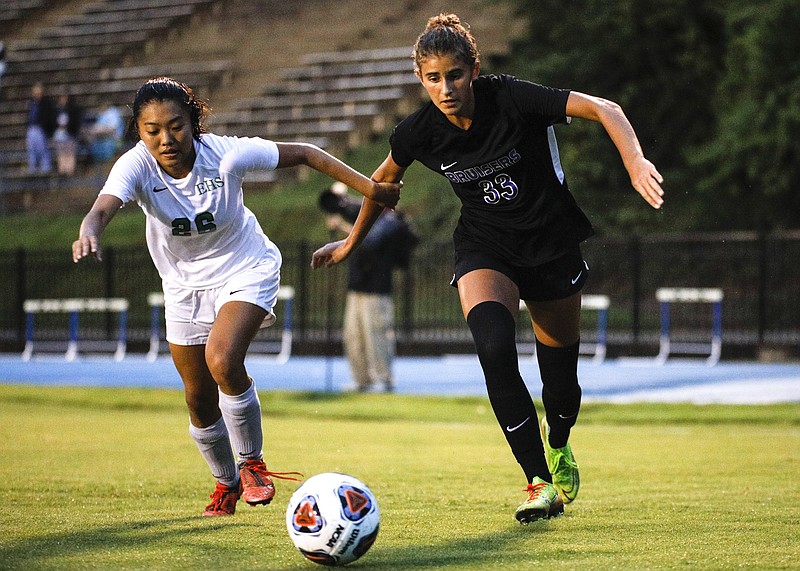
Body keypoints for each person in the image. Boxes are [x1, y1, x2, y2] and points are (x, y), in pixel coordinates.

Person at [311, 14, 664, 524]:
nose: (445, 87)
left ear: (473, 70)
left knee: (559, 381)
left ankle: (559, 442)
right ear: (420, 78)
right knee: (494, 348)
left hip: (550, 243)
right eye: (433, 78)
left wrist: (634, 162)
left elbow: (604, 108)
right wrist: (349, 241)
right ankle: (538, 480)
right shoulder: (418, 132)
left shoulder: (512, 98)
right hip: (485, 247)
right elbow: (382, 184)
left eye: (454, 75)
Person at [72, 77, 401, 517]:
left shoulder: (226, 155)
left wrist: (371, 189)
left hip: (245, 266)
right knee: (197, 398)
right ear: (139, 130)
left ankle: (252, 464)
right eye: (152, 130)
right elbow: (101, 208)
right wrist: (89, 229)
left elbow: (305, 152)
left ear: (194, 123)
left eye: (176, 126)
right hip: (184, 286)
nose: (166, 139)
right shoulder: (135, 166)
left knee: (223, 359)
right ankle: (226, 484)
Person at [319, 181, 418, 393]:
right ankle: (361, 380)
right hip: (357, 286)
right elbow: (344, 209)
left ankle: (384, 379)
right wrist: (338, 199)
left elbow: (369, 242)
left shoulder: (391, 221)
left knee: (376, 336)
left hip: (377, 289)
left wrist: (343, 230)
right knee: (353, 336)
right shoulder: (367, 215)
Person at [26, 82, 57, 174]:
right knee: (31, 149)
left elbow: (48, 116)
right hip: (31, 128)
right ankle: (32, 168)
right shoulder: (32, 102)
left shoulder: (46, 102)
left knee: (42, 149)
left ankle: (45, 168)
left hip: (40, 129)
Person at [52, 93, 83, 176]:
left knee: (70, 154)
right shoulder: (57, 110)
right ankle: (63, 172)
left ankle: (70, 172)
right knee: (61, 155)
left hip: (70, 135)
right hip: (60, 136)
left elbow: (75, 122)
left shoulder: (72, 109)